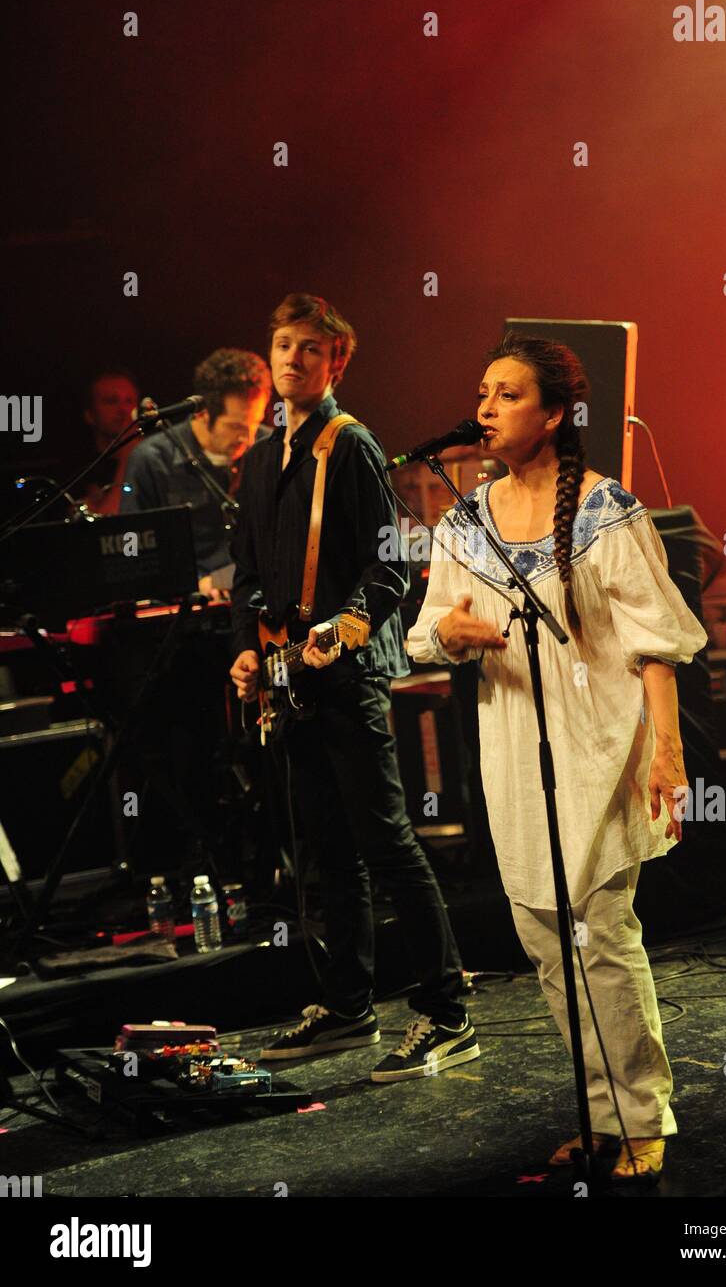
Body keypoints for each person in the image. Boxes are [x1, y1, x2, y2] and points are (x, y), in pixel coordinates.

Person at [405, 331, 707, 1180]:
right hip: (513, 741)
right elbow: (426, 632)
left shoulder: (607, 509)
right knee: (543, 938)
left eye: (506, 394)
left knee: (599, 933)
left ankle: (642, 1118)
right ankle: (598, 1115)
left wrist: (666, 751)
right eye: (483, 393)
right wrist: (453, 635)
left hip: (602, 744)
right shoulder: (463, 520)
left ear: (552, 414)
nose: (486, 409)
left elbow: (656, 644)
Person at [228, 292, 478, 1082]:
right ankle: (346, 1007)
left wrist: (342, 627)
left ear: (336, 362)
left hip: (347, 675)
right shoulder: (262, 460)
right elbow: (245, 577)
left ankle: (447, 1013)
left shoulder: (351, 445)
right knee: (324, 853)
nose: (292, 359)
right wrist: (245, 649)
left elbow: (391, 567)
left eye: (309, 348)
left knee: (385, 844)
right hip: (285, 679)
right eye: (281, 345)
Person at [121, 349, 271, 593]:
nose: (248, 437)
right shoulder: (152, 460)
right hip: (187, 609)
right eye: (235, 426)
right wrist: (193, 584)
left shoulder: (270, 447)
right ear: (202, 412)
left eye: (256, 423)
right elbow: (133, 552)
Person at [79, 367, 141, 514]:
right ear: (90, 415)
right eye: (112, 401)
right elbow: (106, 522)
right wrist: (128, 457)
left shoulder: (154, 460)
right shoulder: (82, 471)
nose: (124, 410)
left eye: (129, 401)